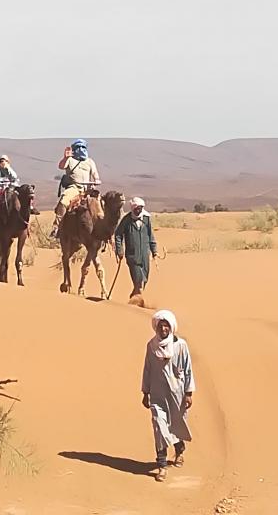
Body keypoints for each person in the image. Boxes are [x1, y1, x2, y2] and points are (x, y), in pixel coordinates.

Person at [141, 310, 194, 483]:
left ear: (171, 327)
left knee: (176, 425)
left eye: (166, 325)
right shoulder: (151, 346)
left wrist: (188, 393)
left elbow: (187, 370)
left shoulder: (181, 346)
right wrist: (145, 392)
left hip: (177, 394)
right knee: (159, 427)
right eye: (160, 325)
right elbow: (147, 369)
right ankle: (162, 465)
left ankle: (180, 451)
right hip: (157, 395)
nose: (163, 328)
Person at [50, 139, 100, 238]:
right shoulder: (70, 159)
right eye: (77, 147)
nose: (80, 149)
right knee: (64, 201)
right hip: (74, 187)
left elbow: (95, 174)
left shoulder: (90, 161)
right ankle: (57, 227)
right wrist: (65, 157)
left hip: (87, 189)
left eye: (83, 147)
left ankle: (103, 231)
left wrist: (96, 180)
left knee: (101, 203)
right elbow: (61, 166)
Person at [114, 197, 157, 298]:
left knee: (145, 279)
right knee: (138, 280)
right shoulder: (126, 220)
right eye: (136, 208)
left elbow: (151, 236)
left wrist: (154, 251)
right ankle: (138, 302)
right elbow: (118, 235)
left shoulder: (146, 219)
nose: (138, 210)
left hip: (145, 255)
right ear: (133, 209)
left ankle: (134, 297)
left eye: (140, 208)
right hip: (132, 256)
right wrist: (119, 250)